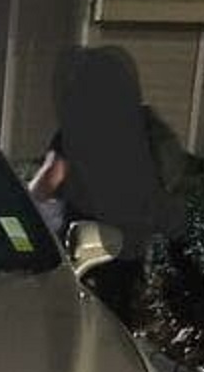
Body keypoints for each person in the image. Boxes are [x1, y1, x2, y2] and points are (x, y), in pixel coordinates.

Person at [33, 46, 186, 328]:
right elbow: (169, 175)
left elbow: (49, 181)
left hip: (89, 249)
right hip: (135, 247)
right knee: (122, 325)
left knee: (81, 323)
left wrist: (23, 200)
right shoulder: (146, 124)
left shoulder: (81, 125)